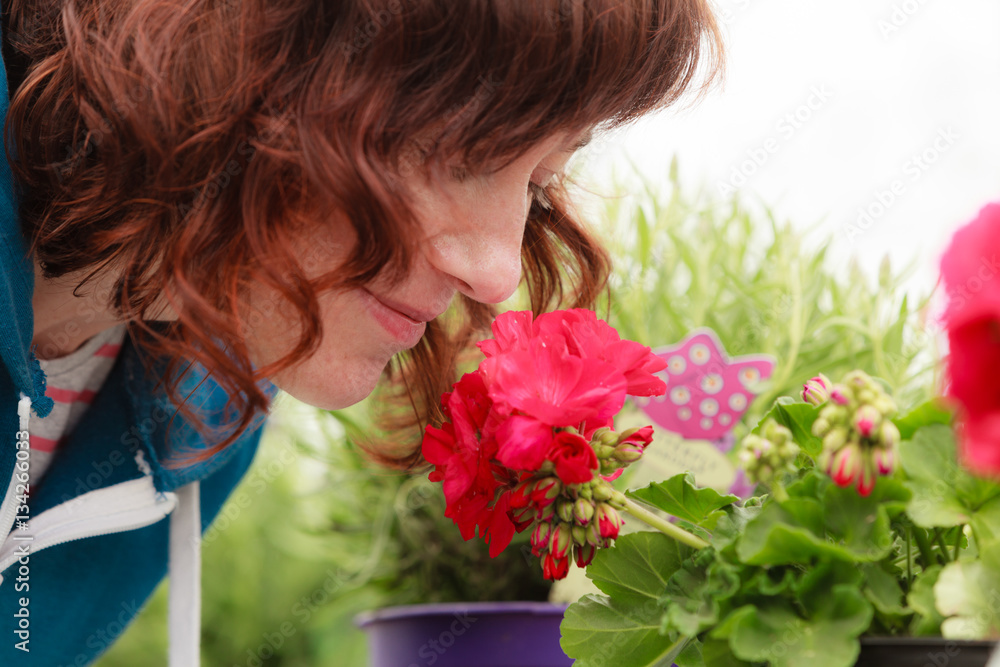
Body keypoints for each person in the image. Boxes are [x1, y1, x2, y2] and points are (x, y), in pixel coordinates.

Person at [0, 0, 722, 664]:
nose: (500, 274)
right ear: (252, 43)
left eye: (538, 183)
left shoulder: (204, 408)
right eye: (465, 147)